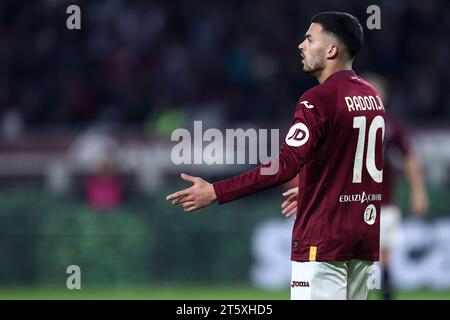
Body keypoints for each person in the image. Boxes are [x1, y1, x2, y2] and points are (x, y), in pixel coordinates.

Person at [167, 12, 386, 300]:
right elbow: (347, 163)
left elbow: (283, 167)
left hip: (323, 243)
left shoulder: (316, 99)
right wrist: (313, 190)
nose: (301, 45)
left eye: (309, 38)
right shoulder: (371, 97)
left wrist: (216, 191)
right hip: (362, 241)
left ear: (332, 50)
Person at [364, 73, 428, 299]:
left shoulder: (392, 126)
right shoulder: (346, 121)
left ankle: (385, 292)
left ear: (384, 96)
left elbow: (410, 159)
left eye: (376, 91)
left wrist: (418, 192)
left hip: (383, 202)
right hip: (350, 201)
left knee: (383, 254)